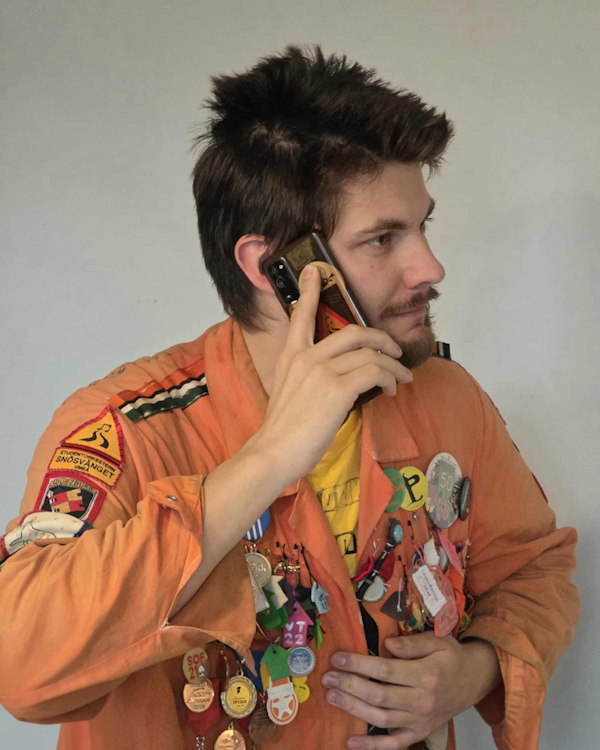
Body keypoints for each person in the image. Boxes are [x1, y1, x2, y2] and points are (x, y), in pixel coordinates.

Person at [0, 44, 579, 750]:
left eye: (422, 225)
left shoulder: (446, 397)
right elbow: (22, 666)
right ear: (274, 266)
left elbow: (533, 568)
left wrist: (475, 670)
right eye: (382, 239)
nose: (430, 266)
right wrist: (271, 457)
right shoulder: (127, 431)